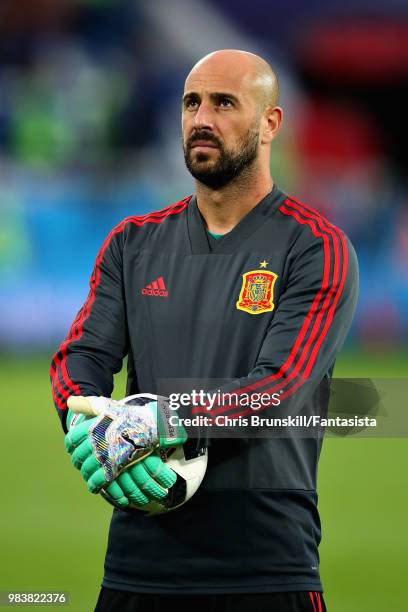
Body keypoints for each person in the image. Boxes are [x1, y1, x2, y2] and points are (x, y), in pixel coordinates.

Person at [50, 49, 358, 612]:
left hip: (266, 565)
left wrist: (162, 420)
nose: (202, 119)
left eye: (224, 103)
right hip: (139, 561)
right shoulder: (132, 243)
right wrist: (84, 421)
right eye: (192, 103)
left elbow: (280, 388)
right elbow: (82, 357)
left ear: (270, 124)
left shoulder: (315, 247)